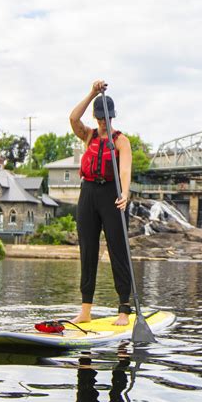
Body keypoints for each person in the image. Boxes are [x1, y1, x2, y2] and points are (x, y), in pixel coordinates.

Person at [69, 81, 132, 326]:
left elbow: (125, 169)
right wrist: (92, 93)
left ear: (112, 116)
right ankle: (86, 309)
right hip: (88, 194)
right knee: (87, 250)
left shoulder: (120, 140)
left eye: (106, 117)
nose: (103, 122)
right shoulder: (88, 135)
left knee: (118, 251)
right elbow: (73, 118)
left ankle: (124, 309)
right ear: (95, 117)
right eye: (100, 118)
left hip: (112, 196)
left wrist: (124, 193)